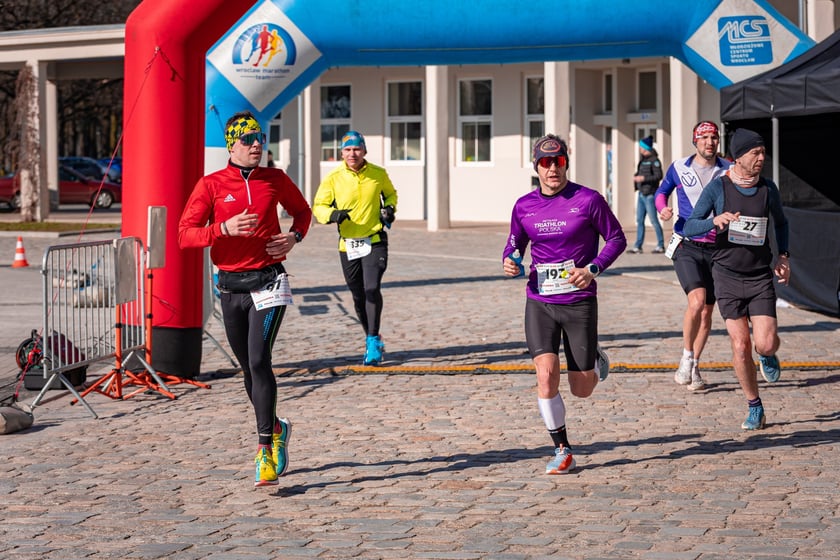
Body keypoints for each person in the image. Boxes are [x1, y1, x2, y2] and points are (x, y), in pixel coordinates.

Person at [178, 110, 312, 486]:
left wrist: (293, 237)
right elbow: (184, 235)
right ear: (232, 145)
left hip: (270, 281)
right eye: (248, 140)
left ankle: (264, 450)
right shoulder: (211, 185)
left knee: (258, 359)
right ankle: (277, 426)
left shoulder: (276, 179)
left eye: (260, 139)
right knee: (248, 369)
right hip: (231, 286)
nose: (257, 146)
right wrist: (221, 228)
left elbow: (302, 212)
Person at [503, 134, 627, 474]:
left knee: (581, 388)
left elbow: (616, 238)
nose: (552, 168)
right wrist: (510, 260)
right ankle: (562, 448)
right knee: (546, 376)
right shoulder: (524, 205)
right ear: (536, 167)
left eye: (557, 161)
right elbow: (514, 244)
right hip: (539, 301)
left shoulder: (588, 200)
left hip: (579, 301)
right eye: (545, 163)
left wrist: (593, 269)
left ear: (566, 162)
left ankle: (594, 357)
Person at [683, 128, 790, 430]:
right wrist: (713, 221)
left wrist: (784, 256)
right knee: (741, 344)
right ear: (738, 156)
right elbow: (689, 226)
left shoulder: (768, 189)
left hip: (759, 276)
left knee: (765, 343)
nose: (761, 157)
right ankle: (754, 405)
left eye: (763, 152)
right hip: (727, 276)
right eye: (755, 153)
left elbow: (781, 223)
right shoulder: (719, 188)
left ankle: (767, 355)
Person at [655, 121, 731, 391]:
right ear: (695, 141)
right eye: (705, 137)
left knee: (708, 312)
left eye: (714, 137)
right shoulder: (679, 167)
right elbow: (661, 192)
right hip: (687, 244)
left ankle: (695, 364)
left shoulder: (729, 169)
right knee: (696, 302)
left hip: (718, 247)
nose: (710, 142)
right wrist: (663, 208)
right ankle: (686, 357)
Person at [312, 131, 398, 365]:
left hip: (374, 239)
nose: (353, 154)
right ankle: (371, 333)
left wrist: (389, 209)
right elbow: (318, 206)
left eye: (357, 149)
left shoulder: (377, 174)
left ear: (364, 151)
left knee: (371, 288)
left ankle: (372, 341)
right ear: (341, 153)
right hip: (348, 244)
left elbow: (390, 195)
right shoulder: (333, 178)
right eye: (348, 150)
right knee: (358, 294)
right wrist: (333, 214)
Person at [628, 135, 665, 253]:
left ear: (646, 148)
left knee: (654, 220)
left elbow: (659, 176)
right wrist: (636, 178)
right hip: (641, 194)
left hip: (650, 194)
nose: (640, 149)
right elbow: (639, 172)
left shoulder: (655, 161)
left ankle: (660, 245)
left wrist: (643, 178)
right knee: (639, 220)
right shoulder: (642, 160)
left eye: (641, 147)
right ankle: (638, 246)